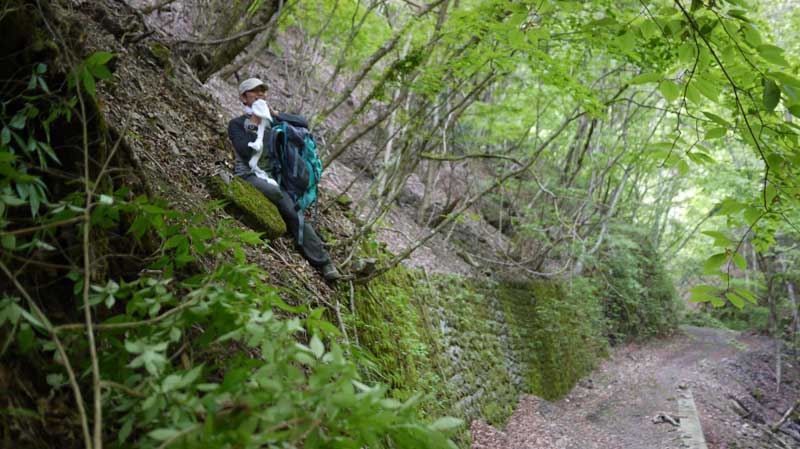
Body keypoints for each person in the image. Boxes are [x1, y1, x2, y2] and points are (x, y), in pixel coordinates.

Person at [228, 77, 341, 282]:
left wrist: (274, 114)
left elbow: (303, 123)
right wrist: (254, 122)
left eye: (263, 92)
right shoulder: (236, 124)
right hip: (248, 174)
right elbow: (245, 153)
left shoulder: (271, 121)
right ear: (244, 98)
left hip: (273, 177)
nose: (260, 96)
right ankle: (322, 260)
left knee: (294, 209)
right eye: (255, 92)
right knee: (279, 196)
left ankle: (324, 261)